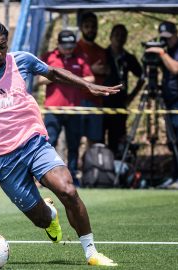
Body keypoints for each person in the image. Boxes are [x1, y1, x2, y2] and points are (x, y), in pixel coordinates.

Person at [0, 20, 120, 266]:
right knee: (41, 220)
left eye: (3, 47)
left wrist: (88, 85)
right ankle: (50, 215)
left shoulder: (22, 60)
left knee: (68, 190)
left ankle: (91, 253)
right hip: (3, 161)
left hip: (34, 143)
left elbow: (55, 73)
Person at [39, 30, 94, 186]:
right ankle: (47, 177)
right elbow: (38, 80)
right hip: (53, 110)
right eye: (66, 46)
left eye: (71, 46)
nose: (69, 50)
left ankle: (73, 177)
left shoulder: (80, 57)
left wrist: (74, 79)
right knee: (49, 144)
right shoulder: (49, 57)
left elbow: (91, 78)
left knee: (74, 145)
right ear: (58, 44)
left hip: (74, 109)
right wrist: (55, 76)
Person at [103, 24, 143, 158]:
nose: (119, 38)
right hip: (102, 103)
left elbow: (142, 76)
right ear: (110, 37)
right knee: (100, 140)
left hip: (120, 104)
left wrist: (132, 96)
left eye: (122, 35)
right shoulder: (103, 54)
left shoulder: (128, 58)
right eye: (116, 35)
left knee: (117, 140)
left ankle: (117, 168)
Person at [146, 21, 178, 188]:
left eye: (169, 38)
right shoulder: (168, 51)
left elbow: (175, 69)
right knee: (173, 142)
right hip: (169, 102)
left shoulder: (171, 52)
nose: (167, 41)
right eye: (163, 38)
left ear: (175, 35)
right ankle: (174, 176)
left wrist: (161, 53)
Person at [76, 12, 108, 146]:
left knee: (94, 140)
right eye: (87, 26)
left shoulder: (102, 50)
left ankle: (90, 166)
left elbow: (107, 71)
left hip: (96, 100)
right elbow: (68, 72)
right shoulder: (75, 48)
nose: (90, 29)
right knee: (75, 140)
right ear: (81, 28)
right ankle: (74, 167)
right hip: (78, 100)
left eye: (93, 26)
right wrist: (91, 69)